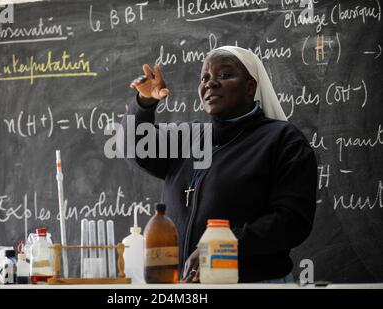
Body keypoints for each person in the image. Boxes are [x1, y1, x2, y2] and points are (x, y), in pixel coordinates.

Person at [124, 46, 317, 283]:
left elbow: (292, 222)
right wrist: (143, 103)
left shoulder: (282, 140)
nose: (210, 83)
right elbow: (136, 147)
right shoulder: (189, 137)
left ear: (250, 87)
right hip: (185, 284)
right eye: (205, 77)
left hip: (253, 285)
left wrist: (220, 247)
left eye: (224, 75)